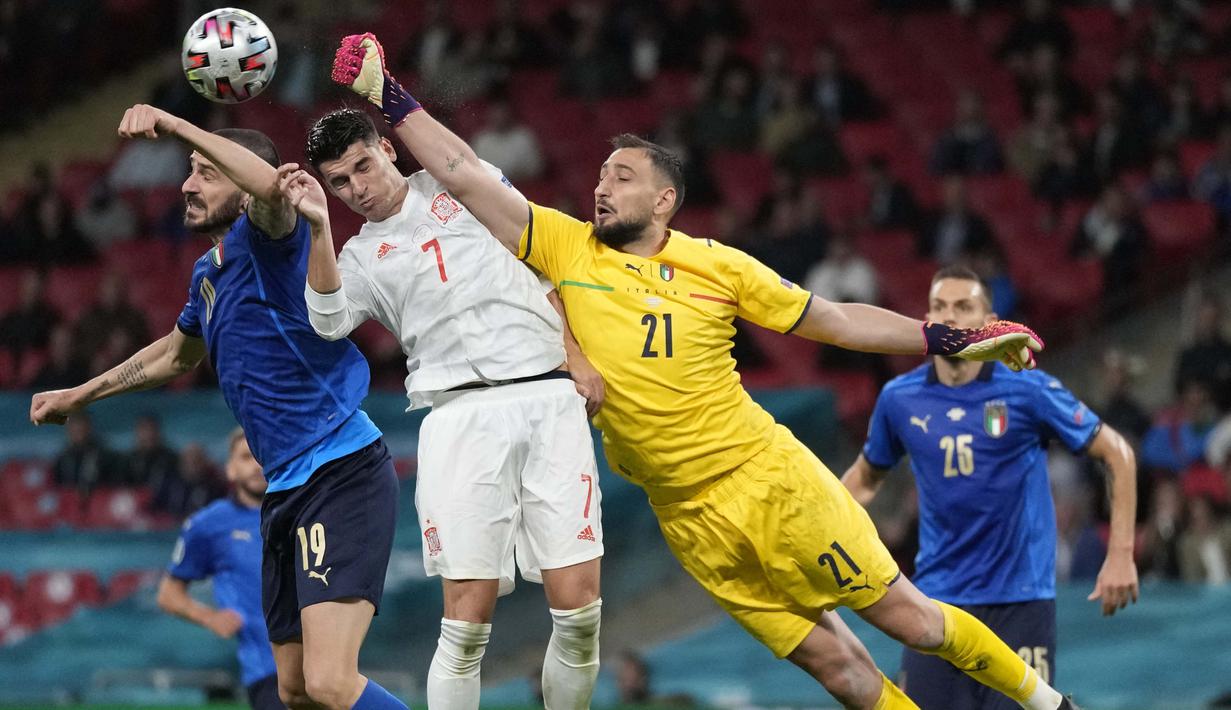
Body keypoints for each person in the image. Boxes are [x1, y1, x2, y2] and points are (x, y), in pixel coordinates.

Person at [330, 34, 1080, 710]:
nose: (601, 187)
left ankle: (1047, 703)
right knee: (839, 672)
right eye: (600, 174)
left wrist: (945, 336)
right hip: (686, 520)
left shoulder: (717, 265)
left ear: (663, 200)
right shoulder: (564, 245)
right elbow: (462, 173)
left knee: (910, 622)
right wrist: (388, 95)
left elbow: (835, 320)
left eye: (622, 177)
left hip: (765, 481)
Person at [29, 105, 406, 710]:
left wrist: (177, 125)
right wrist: (79, 395)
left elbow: (271, 189)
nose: (187, 185)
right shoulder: (209, 272)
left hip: (339, 470)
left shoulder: (269, 238)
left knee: (331, 682)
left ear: (244, 183)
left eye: (206, 173)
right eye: (189, 171)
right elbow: (174, 356)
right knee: (293, 689)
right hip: (284, 488)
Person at [279, 102, 604, 710]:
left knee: (580, 611)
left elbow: (542, 267)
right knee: (464, 624)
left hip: (545, 395)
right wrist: (319, 227)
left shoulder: (464, 186)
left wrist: (576, 354)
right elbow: (327, 322)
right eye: (340, 182)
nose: (357, 188)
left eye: (363, 166)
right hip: (456, 418)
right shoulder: (357, 255)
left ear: (388, 149)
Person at [841, 266, 1140, 710]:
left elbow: (1117, 452)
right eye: (940, 307)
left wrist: (1120, 554)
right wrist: (813, 530)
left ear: (989, 323)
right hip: (936, 605)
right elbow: (866, 478)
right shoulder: (899, 399)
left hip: (1020, 604)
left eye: (964, 307)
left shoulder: (1026, 390)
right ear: (926, 320)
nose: (950, 317)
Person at [157, 429, 285, 710]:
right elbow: (168, 594)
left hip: (326, 667)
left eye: (262, 456)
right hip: (267, 672)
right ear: (230, 469)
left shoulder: (305, 513)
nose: (256, 465)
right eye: (246, 457)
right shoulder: (209, 524)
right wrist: (210, 617)